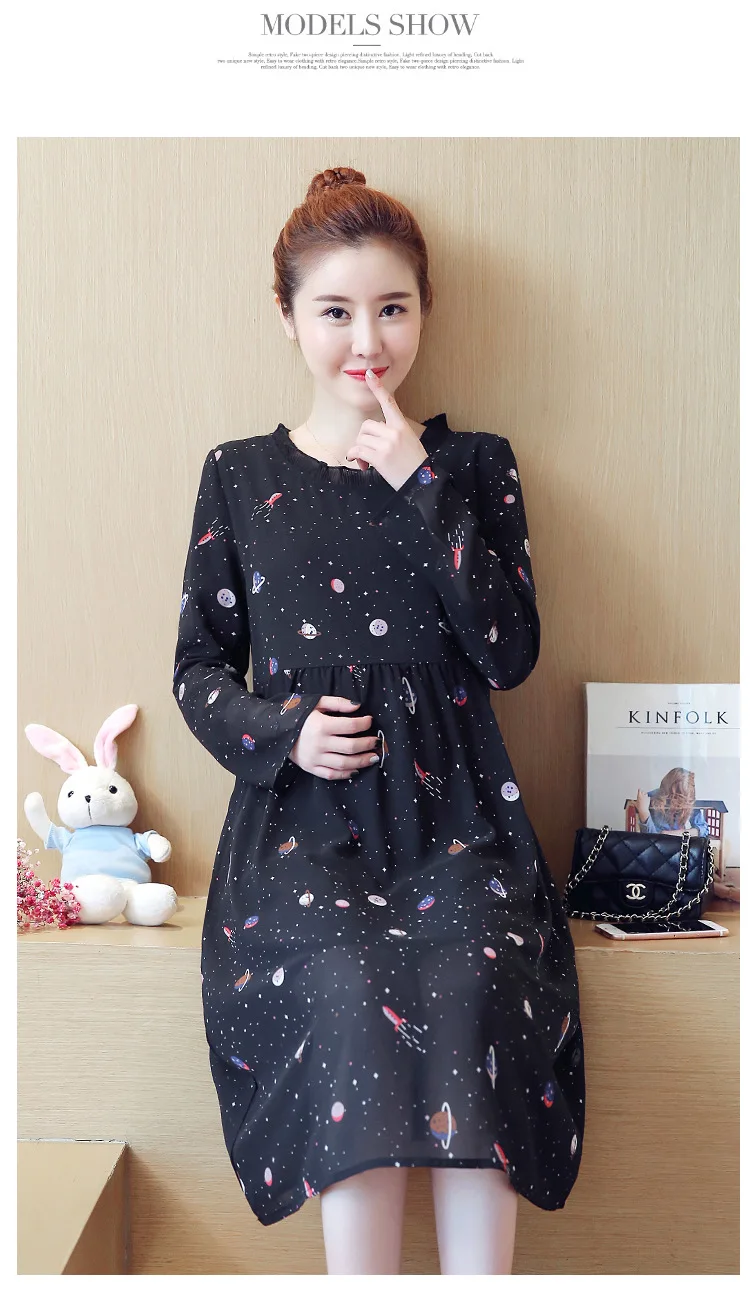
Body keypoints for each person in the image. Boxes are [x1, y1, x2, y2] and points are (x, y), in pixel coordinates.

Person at [172, 166, 585, 1275]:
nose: (368, 341)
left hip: (461, 829)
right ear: (288, 316)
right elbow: (198, 668)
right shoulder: (238, 475)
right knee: (348, 991)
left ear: (424, 310)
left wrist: (419, 481)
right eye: (336, 312)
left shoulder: (476, 466)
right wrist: (282, 734)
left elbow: (508, 653)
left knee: (475, 982)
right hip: (304, 839)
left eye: (392, 307)